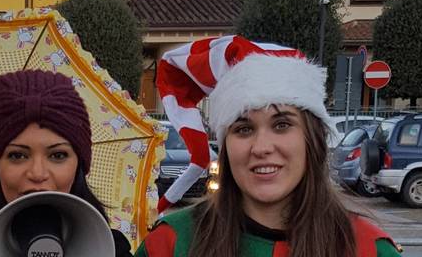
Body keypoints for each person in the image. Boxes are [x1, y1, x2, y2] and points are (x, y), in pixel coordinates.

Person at [134, 36, 401, 257]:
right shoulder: (169, 245)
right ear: (225, 146)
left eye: (282, 125)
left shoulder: (369, 249)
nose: (261, 147)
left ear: (313, 139)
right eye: (243, 129)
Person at [0, 69, 133, 257]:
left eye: (58, 155)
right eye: (17, 156)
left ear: (80, 165)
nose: (37, 173)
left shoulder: (112, 249)